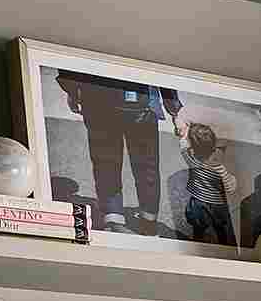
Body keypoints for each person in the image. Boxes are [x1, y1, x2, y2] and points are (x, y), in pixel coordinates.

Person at [56, 71, 183, 233]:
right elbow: (161, 64)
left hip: (96, 99)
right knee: (146, 165)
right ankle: (148, 220)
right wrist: (174, 110)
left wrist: (73, 91)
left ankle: (113, 217)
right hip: (140, 104)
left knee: (105, 162)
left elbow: (70, 65)